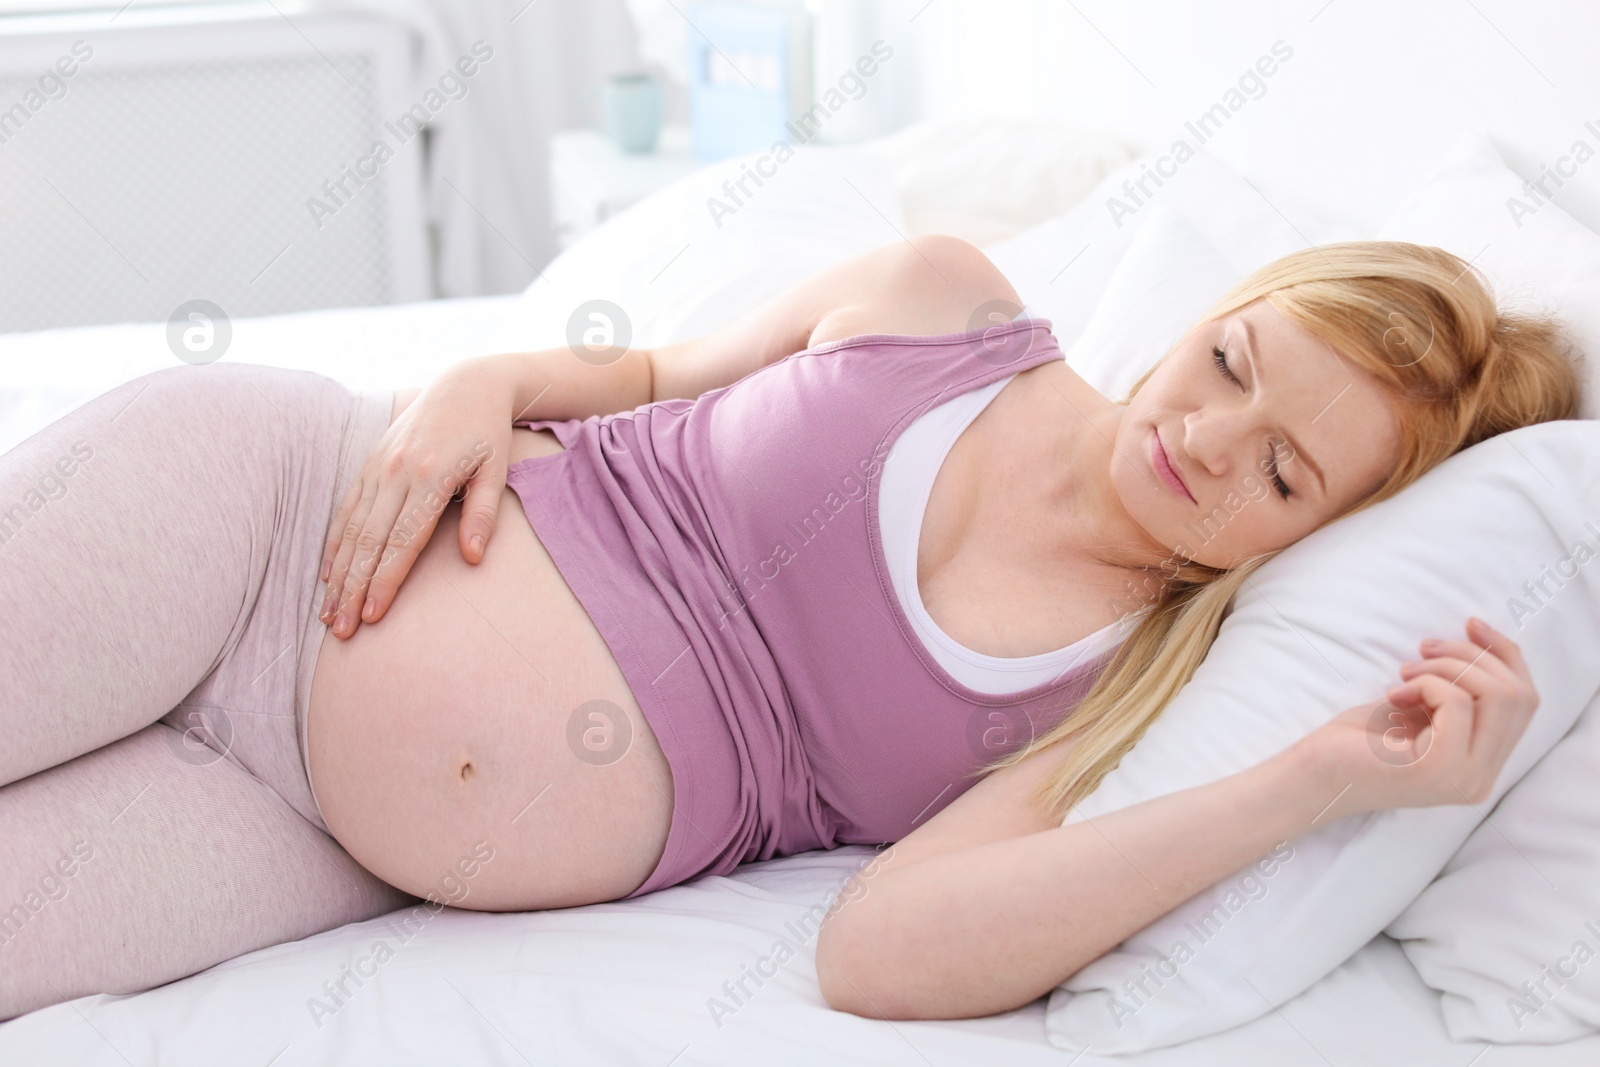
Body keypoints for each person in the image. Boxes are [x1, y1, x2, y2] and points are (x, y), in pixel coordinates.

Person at [0, 236, 1578, 1021]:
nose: (1208, 440)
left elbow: (881, 953)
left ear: (1323, 535)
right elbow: (647, 378)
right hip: (272, 518)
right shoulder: (946, 300)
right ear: (1221, 307)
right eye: (1233, 361)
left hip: (313, 834)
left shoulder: (1120, 690)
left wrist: (1318, 783)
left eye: (1283, 472)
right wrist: (476, 382)